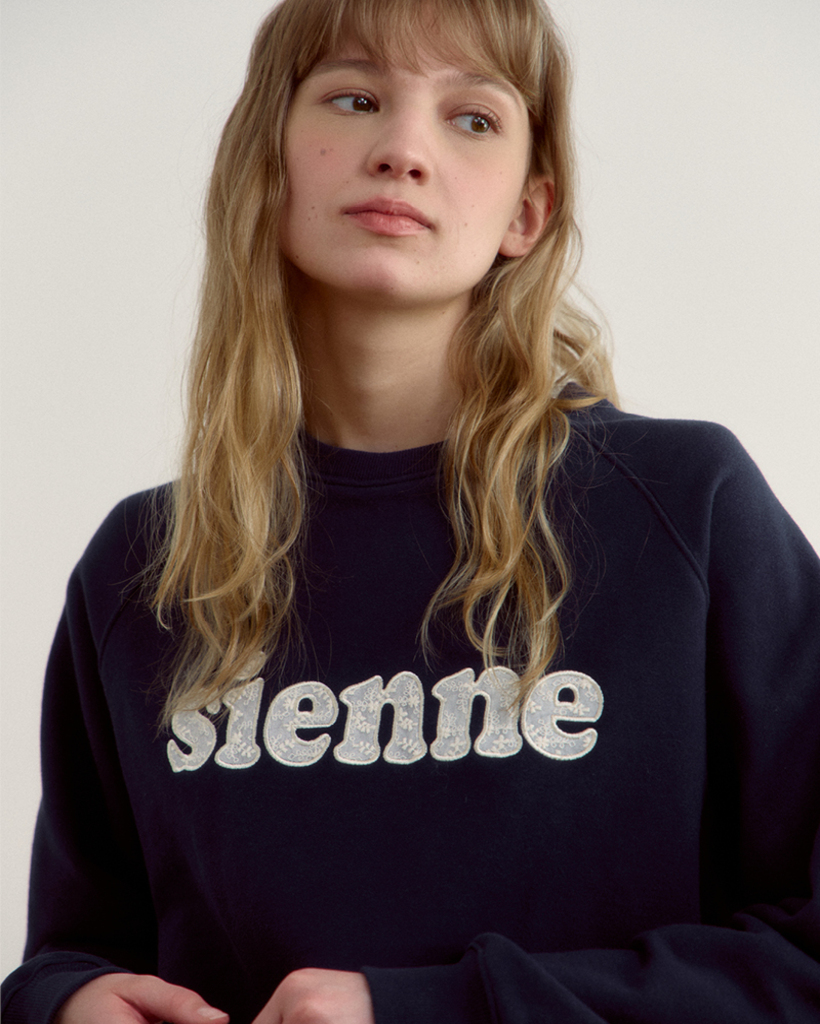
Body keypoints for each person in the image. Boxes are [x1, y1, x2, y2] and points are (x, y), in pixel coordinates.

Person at [3, 0, 820, 1021]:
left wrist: (422, 1010)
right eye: (355, 99)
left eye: (471, 118)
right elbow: (72, 949)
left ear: (527, 212)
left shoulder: (686, 511)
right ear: (268, 159)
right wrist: (69, 1002)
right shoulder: (143, 567)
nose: (402, 151)